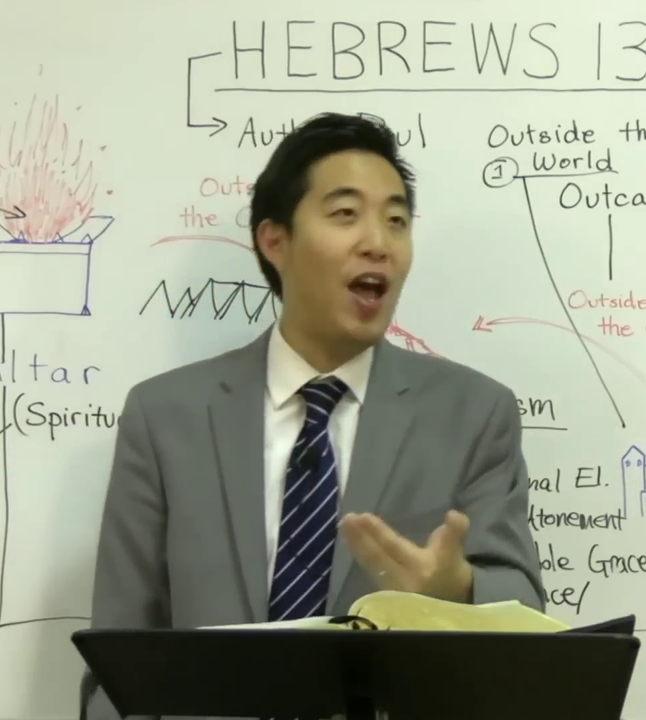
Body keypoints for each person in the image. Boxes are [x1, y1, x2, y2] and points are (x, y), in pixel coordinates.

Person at [83, 112, 544, 720]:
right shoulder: (164, 416)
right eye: (346, 214)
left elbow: (527, 610)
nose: (378, 242)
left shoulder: (474, 413)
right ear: (276, 241)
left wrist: (456, 590)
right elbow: (119, 659)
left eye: (397, 220)